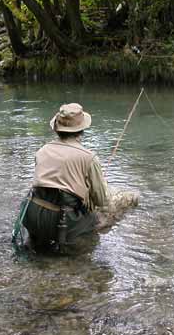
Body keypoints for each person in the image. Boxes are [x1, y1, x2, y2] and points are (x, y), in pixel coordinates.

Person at [23, 103, 123, 252]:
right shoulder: (89, 158)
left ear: (57, 129)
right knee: (98, 224)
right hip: (64, 222)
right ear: (81, 130)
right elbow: (101, 200)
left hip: (32, 216)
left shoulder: (42, 151)